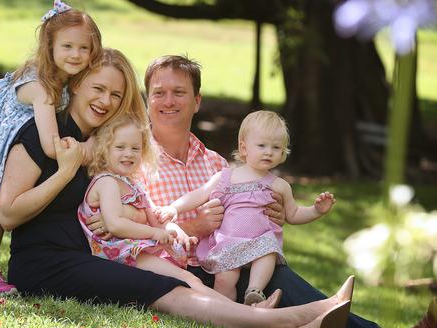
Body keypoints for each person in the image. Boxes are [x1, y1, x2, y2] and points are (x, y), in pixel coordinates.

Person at [0, 47, 355, 328]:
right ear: (77, 87)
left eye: (116, 95)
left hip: (97, 254)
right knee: (170, 286)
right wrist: (66, 173)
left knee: (261, 274)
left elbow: (115, 201)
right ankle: (297, 317)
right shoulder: (42, 135)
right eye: (98, 89)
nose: (105, 101)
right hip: (50, 262)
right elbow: (8, 216)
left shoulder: (101, 144)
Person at [131, 54, 437, 328]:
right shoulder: (133, 159)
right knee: (288, 296)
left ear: (197, 101)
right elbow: (127, 236)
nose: (168, 101)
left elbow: (252, 211)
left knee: (281, 283)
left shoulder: (217, 163)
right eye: (159, 92)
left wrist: (277, 214)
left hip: (231, 258)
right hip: (185, 276)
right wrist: (194, 227)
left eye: (179, 92)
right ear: (148, 99)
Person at [0, 1, 102, 295]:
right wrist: (88, 149)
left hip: (13, 133)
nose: (76, 55)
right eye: (67, 46)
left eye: (84, 48)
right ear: (49, 46)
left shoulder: (66, 78)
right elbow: (51, 147)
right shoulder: (42, 89)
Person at [77, 114, 286, 307]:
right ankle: (243, 314)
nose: (128, 154)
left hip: (136, 251)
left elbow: (155, 216)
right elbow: (116, 224)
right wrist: (155, 233)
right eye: (120, 147)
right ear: (105, 150)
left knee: (189, 280)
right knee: (189, 280)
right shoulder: (107, 183)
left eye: (135, 148)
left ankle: (244, 311)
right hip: (120, 255)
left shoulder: (132, 183)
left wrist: (174, 229)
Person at [157, 110, 336, 305]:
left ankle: (255, 291)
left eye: (276, 147)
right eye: (261, 145)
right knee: (224, 279)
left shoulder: (279, 185)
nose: (268, 151)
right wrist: (174, 208)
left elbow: (293, 214)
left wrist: (316, 210)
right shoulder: (225, 177)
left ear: (283, 153)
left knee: (268, 251)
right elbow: (198, 195)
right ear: (244, 148)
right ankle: (227, 313)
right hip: (229, 242)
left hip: (259, 242)